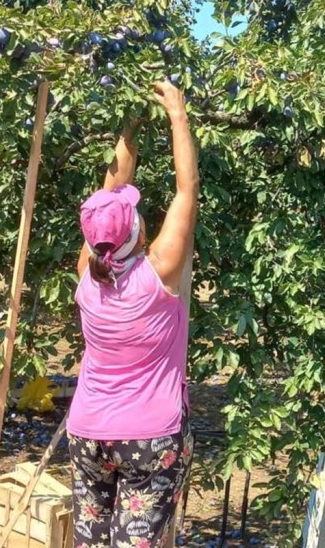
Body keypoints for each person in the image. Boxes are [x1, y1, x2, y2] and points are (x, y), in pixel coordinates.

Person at [67, 80, 199, 548]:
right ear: (139, 233)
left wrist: (130, 126)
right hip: (150, 438)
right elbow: (187, 190)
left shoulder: (87, 272)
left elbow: (109, 197)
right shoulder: (158, 273)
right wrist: (177, 115)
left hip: (89, 433)